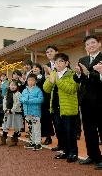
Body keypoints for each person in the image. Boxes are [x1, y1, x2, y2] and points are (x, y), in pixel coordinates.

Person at [73, 35, 102, 170]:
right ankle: (93, 156)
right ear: (85, 48)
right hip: (85, 101)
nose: (91, 45)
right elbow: (77, 80)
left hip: (100, 100)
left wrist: (89, 73)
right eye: (88, 44)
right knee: (89, 130)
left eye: (93, 43)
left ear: (99, 44)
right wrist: (78, 73)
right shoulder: (82, 60)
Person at [44, 53, 79, 162]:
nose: (58, 64)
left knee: (70, 132)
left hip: (68, 108)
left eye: (61, 61)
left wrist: (57, 80)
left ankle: (73, 153)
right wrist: (51, 80)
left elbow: (71, 89)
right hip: (55, 107)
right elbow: (46, 88)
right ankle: (65, 151)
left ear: (67, 63)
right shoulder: (53, 73)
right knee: (60, 131)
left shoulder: (72, 74)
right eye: (56, 62)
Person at [32, 63, 54, 145]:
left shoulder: (44, 77)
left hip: (44, 101)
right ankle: (37, 137)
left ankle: (48, 137)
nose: (34, 69)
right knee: (36, 120)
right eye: (33, 68)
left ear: (40, 69)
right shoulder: (31, 78)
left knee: (46, 119)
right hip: (35, 102)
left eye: (36, 68)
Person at [20, 73, 44, 151]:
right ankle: (32, 142)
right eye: (29, 80)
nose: (30, 82)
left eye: (32, 80)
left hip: (35, 113)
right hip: (27, 112)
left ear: (35, 81)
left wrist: (29, 101)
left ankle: (38, 143)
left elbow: (40, 99)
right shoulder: (24, 90)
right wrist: (24, 100)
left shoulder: (38, 90)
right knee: (30, 128)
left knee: (36, 128)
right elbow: (21, 98)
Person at [0, 80, 22, 146]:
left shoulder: (19, 94)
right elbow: (4, 102)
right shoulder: (6, 93)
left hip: (16, 112)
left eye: (14, 85)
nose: (13, 86)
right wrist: (5, 109)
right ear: (9, 86)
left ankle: (14, 141)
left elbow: (17, 103)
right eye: (11, 85)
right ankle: (3, 140)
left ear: (17, 86)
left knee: (16, 126)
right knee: (5, 126)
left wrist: (12, 110)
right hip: (7, 112)